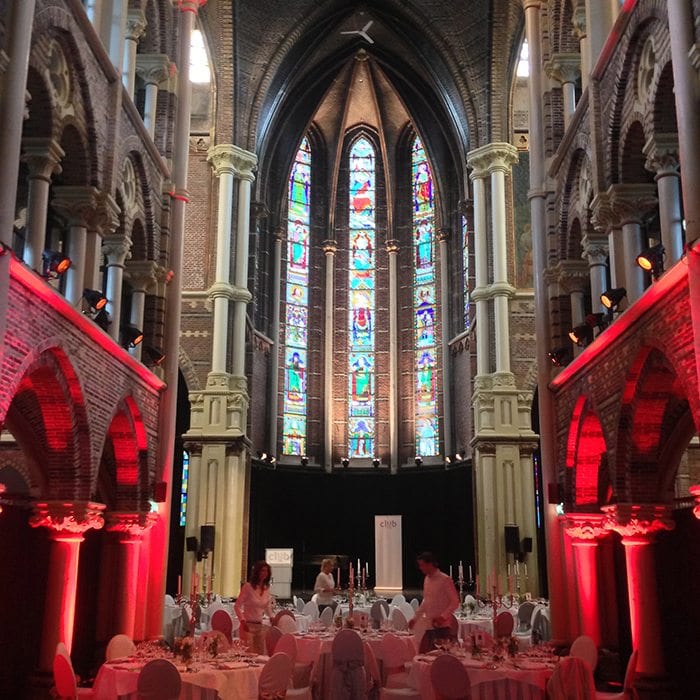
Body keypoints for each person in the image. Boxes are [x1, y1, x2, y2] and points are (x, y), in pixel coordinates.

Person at [409, 552, 460, 652]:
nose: (420, 568)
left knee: (441, 657)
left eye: (422, 565)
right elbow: (426, 602)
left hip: (442, 627)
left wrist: (443, 617)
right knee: (424, 655)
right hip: (429, 626)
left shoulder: (445, 580)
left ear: (430, 564)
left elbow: (455, 602)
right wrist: (415, 619)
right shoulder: (427, 579)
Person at [234, 560, 274, 654]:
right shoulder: (248, 587)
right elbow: (237, 606)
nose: (264, 573)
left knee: (260, 654)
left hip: (260, 626)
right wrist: (242, 621)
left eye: (266, 571)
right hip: (247, 626)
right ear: (257, 572)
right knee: (249, 654)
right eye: (262, 570)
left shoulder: (266, 588)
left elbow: (267, 606)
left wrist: (271, 617)